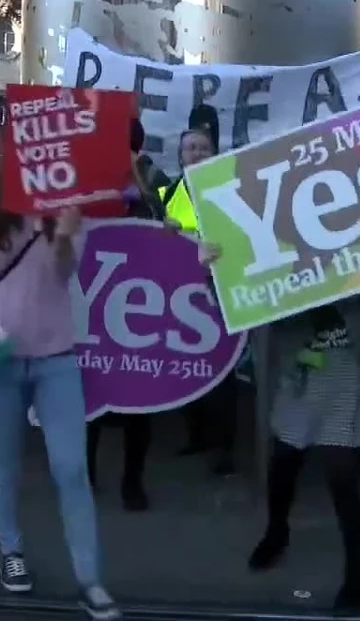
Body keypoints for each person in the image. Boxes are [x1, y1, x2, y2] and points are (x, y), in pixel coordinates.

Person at [0, 161, 119, 620]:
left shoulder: (68, 207)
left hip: (56, 359)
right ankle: (11, 550)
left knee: (71, 468)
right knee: (3, 465)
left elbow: (64, 274)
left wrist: (65, 236)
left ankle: (90, 579)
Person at [201, 238, 360, 611]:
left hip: (346, 369)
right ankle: (277, 531)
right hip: (299, 370)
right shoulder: (272, 244)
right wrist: (212, 272)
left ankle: (358, 570)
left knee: (342, 474)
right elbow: (236, 302)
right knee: (285, 460)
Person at [163, 109, 239, 475]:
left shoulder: (228, 187)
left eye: (201, 148)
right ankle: (195, 436)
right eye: (189, 148)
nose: (195, 153)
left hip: (220, 287)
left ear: (213, 152)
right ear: (180, 156)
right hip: (181, 291)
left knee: (222, 371)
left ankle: (223, 448)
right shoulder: (168, 192)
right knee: (188, 366)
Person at [87, 119, 157, 510]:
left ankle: (133, 480)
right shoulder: (87, 183)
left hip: (143, 306)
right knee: (90, 396)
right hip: (92, 304)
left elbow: (171, 225)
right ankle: (85, 474)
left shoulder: (155, 181)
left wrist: (138, 181)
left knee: (139, 399)